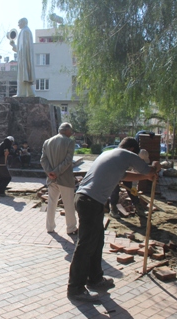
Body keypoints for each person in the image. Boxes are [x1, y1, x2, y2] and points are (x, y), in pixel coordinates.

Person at [68, 137, 160, 302]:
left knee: (96, 242)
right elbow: (148, 170)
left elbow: (124, 176)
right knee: (86, 245)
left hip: (85, 199)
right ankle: (75, 288)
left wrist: (146, 177)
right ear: (132, 149)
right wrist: (154, 169)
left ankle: (95, 279)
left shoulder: (111, 154)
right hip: (90, 201)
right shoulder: (127, 154)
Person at [40, 123, 78, 235]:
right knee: (69, 204)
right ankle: (71, 228)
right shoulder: (69, 142)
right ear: (66, 131)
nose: (71, 133)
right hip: (65, 178)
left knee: (51, 203)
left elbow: (43, 160)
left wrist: (50, 173)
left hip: (51, 179)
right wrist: (56, 172)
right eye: (71, 131)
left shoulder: (47, 142)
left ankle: (50, 227)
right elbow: (68, 161)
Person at [109, 148, 150, 219]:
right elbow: (117, 170)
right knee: (115, 191)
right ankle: (113, 209)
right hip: (114, 172)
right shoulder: (126, 158)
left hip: (124, 173)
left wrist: (133, 188)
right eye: (142, 160)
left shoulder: (136, 162)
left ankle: (138, 207)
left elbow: (135, 176)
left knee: (131, 189)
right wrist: (117, 178)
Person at [10, 18, 36, 97]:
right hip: (23, 57)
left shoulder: (25, 31)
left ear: (24, 22)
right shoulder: (24, 31)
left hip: (24, 57)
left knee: (23, 75)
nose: (18, 25)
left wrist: (15, 47)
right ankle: (30, 93)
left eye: (19, 22)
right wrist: (14, 46)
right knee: (25, 76)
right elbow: (21, 47)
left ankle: (21, 93)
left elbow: (23, 47)